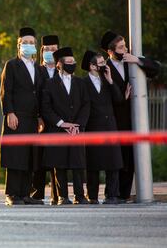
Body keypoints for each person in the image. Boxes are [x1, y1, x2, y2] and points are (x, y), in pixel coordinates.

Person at [100, 31, 160, 202]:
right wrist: (121, 96)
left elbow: (156, 68)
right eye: (120, 47)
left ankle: (124, 194)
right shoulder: (105, 68)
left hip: (134, 120)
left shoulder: (130, 63)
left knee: (131, 158)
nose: (125, 49)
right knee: (116, 158)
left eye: (125, 45)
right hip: (114, 119)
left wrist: (137, 60)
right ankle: (113, 194)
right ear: (110, 51)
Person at [0, 27, 44, 205]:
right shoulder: (11, 65)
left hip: (32, 118)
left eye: (31, 43)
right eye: (25, 43)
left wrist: (40, 116)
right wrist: (9, 112)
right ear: (18, 45)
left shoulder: (38, 68)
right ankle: (12, 194)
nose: (28, 45)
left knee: (29, 156)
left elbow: (40, 94)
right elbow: (5, 91)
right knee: (15, 155)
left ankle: (25, 193)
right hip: (16, 117)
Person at [41, 47, 90, 205]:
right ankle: (62, 196)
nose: (72, 64)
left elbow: (86, 105)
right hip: (57, 130)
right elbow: (46, 108)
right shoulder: (49, 84)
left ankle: (79, 195)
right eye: (68, 62)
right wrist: (62, 123)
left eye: (73, 62)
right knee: (59, 164)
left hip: (76, 130)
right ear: (59, 64)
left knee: (78, 164)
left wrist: (78, 124)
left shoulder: (80, 83)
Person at [81, 50, 123, 204]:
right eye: (101, 63)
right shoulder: (82, 83)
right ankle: (92, 196)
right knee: (93, 165)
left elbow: (118, 99)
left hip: (109, 126)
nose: (104, 65)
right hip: (93, 127)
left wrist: (111, 80)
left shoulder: (107, 80)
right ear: (92, 66)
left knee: (113, 163)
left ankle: (112, 195)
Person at [31, 34, 60, 205]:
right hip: (40, 121)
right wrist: (38, 117)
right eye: (47, 50)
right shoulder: (35, 70)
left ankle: (58, 194)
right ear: (41, 51)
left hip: (58, 121)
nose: (50, 52)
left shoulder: (62, 71)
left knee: (57, 158)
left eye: (54, 50)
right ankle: (37, 194)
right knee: (39, 158)